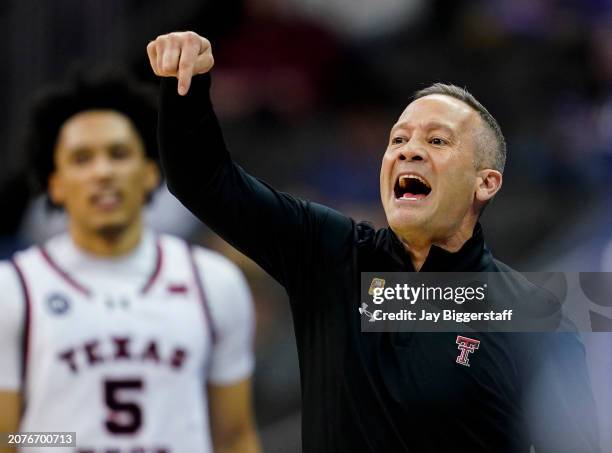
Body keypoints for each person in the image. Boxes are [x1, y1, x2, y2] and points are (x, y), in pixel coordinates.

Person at [146, 32, 601, 452]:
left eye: (438, 140)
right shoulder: (331, 254)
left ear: (485, 183)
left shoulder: (532, 312)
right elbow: (202, 179)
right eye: (398, 139)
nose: (408, 149)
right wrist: (185, 85)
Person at [0, 69, 260, 453]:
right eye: (82, 159)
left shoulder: (214, 281)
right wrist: (64, 438)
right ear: (55, 183)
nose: (103, 172)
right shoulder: (13, 287)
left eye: (119, 154)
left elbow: (234, 436)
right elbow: (9, 438)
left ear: (150, 174)